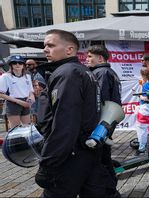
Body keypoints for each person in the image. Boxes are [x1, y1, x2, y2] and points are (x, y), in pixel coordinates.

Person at [34, 29, 115, 197]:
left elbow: (65, 124)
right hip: (86, 151)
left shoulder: (68, 73)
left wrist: (48, 164)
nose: (45, 49)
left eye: (50, 45)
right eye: (44, 46)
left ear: (69, 49)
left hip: (70, 156)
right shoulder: (82, 71)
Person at [86, 44, 122, 197]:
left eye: (89, 57)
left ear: (100, 58)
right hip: (107, 124)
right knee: (105, 160)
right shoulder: (109, 71)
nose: (86, 59)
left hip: (100, 125)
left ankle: (110, 192)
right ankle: (112, 191)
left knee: (101, 162)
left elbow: (100, 100)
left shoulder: (101, 72)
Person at [0, 55, 35, 129]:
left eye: (20, 63)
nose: (17, 65)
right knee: (15, 130)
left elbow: (31, 92)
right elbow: (1, 94)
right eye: (14, 63)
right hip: (13, 103)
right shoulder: (5, 76)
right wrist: (18, 101)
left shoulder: (27, 76)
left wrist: (31, 100)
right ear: (11, 65)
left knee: (27, 128)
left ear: (23, 65)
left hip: (26, 102)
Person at [134, 67, 149, 156]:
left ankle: (142, 149)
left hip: (145, 109)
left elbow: (147, 98)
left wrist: (139, 96)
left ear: (143, 75)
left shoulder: (146, 85)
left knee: (141, 130)